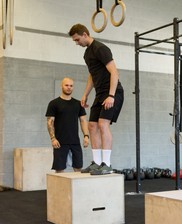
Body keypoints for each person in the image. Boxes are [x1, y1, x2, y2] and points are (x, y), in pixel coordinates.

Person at [68, 24, 124, 175]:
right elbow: (92, 75)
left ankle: (107, 164)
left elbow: (114, 72)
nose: (76, 43)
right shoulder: (87, 54)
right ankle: (97, 163)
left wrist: (111, 95)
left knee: (102, 124)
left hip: (112, 92)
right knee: (92, 125)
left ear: (85, 34)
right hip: (100, 94)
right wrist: (85, 93)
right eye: (75, 40)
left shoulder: (101, 49)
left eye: (77, 39)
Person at [46, 77, 89, 173]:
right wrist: (53, 138)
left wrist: (86, 136)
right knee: (60, 168)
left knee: (78, 168)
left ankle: (77, 188)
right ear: (61, 86)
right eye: (66, 85)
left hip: (75, 141)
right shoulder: (54, 104)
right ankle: (60, 188)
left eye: (71, 86)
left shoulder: (78, 104)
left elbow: (83, 120)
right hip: (60, 142)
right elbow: (50, 122)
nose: (69, 87)